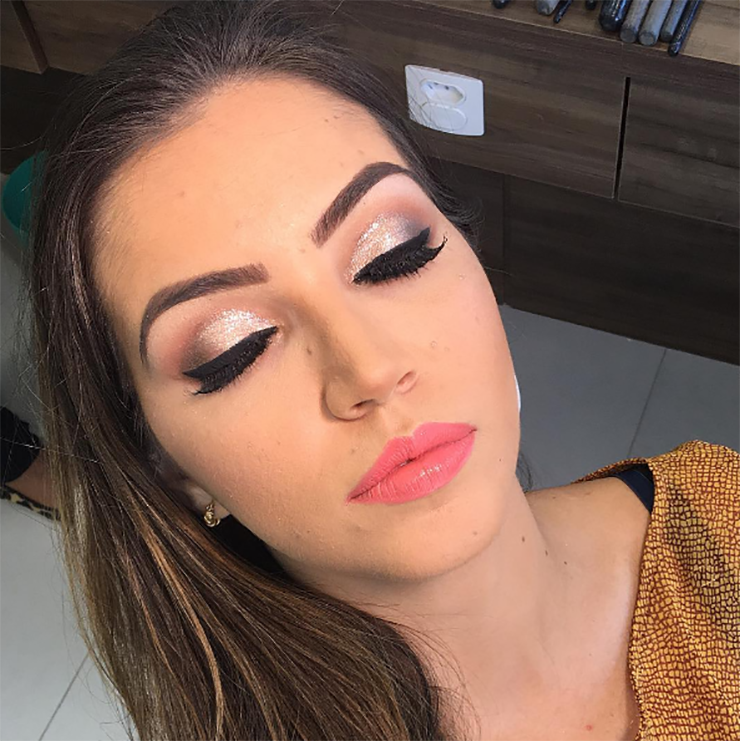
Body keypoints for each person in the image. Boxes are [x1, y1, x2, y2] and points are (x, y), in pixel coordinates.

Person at [28, 0, 740, 740]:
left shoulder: (723, 515)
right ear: (168, 466)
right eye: (236, 348)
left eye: (392, 254)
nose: (368, 369)